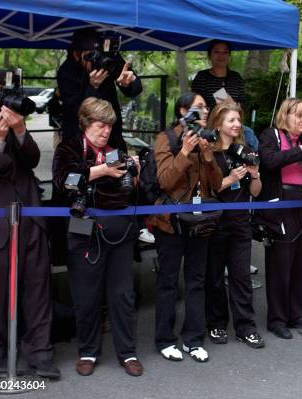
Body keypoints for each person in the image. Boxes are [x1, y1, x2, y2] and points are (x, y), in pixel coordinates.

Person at [52, 97, 142, 377]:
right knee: (86, 295)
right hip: (83, 231)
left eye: (109, 126)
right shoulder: (69, 148)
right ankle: (88, 351)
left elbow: (127, 193)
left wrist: (134, 176)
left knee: (122, 295)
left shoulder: (116, 151)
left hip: (120, 232)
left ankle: (127, 353)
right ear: (86, 123)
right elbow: (64, 182)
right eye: (101, 125)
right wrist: (101, 171)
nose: (106, 131)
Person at [0, 68, 60, 379]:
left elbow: (31, 158)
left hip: (30, 217)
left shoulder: (9, 116)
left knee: (38, 291)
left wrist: (20, 130)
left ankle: (40, 355)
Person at [150, 92, 222, 363]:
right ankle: (165, 340)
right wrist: (183, 152)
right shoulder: (165, 138)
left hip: (199, 220)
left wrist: (207, 155)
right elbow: (165, 181)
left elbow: (216, 184)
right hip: (169, 221)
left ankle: (193, 339)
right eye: (199, 107)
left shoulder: (207, 137)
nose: (205, 111)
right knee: (168, 281)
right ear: (183, 111)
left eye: (206, 107)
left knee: (196, 281)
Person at [257, 98, 302, 339]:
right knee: (280, 263)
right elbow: (270, 162)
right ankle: (277, 319)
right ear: (286, 115)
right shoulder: (271, 135)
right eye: (299, 115)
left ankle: (297, 314)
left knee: (301, 263)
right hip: (280, 204)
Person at [204, 102, 265, 349]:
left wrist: (255, 173)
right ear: (218, 124)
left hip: (241, 223)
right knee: (215, 277)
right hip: (216, 223)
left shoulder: (246, 150)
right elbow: (208, 189)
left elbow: (256, 192)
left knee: (241, 277)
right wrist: (231, 178)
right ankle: (216, 324)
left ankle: (246, 327)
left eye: (238, 120)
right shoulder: (209, 152)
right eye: (231, 120)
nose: (237, 125)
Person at [57, 27, 142, 152]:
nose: (95, 60)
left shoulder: (107, 58)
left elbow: (136, 89)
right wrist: (92, 87)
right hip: (80, 144)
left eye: (98, 53)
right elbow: (75, 109)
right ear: (76, 54)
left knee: (117, 169)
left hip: (112, 140)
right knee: (88, 171)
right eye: (90, 55)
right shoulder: (66, 72)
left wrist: (129, 83)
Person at [191, 40, 245, 112]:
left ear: (229, 56)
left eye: (225, 52)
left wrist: (232, 105)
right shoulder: (202, 77)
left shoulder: (236, 77)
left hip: (233, 122)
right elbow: (195, 105)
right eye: (217, 52)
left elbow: (243, 104)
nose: (221, 55)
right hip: (210, 122)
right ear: (209, 56)